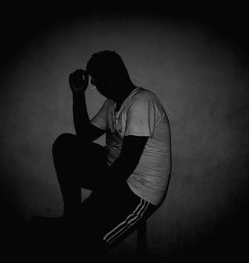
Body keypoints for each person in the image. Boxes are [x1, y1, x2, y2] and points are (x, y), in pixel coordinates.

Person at [36, 50, 171, 256]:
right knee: (66, 145)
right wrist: (78, 94)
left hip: (139, 190)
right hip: (114, 173)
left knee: (85, 243)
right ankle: (72, 216)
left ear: (109, 80)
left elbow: (127, 162)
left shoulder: (142, 102)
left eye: (95, 80)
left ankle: (76, 224)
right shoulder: (111, 104)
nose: (94, 85)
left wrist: (92, 207)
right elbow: (84, 134)